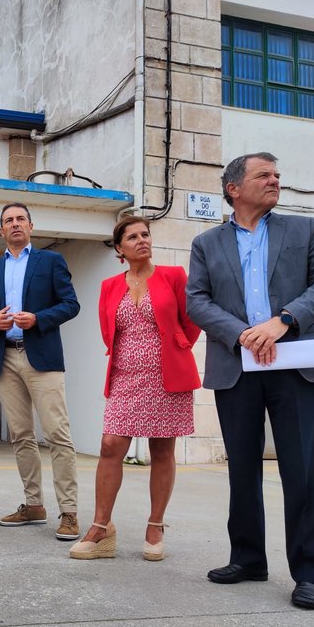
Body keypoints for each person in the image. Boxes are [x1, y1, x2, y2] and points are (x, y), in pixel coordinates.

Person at [186, 152, 314, 610]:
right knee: (242, 468)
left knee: (305, 470)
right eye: (264, 175)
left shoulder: (303, 229)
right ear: (234, 188)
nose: (275, 180)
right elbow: (197, 301)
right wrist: (243, 335)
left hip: (295, 362)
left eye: (277, 174)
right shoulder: (206, 243)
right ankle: (249, 558)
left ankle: (310, 573)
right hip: (238, 366)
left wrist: (283, 321)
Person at [69, 217, 200, 562]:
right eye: (132, 236)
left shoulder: (173, 277)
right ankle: (101, 527)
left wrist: (176, 346)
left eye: (145, 234)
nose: (142, 240)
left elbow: (191, 321)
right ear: (119, 248)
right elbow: (107, 330)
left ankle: (155, 525)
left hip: (167, 375)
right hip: (125, 376)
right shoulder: (110, 286)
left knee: (161, 449)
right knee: (110, 444)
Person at [0, 202, 82, 540]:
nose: (15, 224)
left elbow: (70, 304)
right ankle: (33, 505)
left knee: (57, 435)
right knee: (21, 435)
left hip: (42, 357)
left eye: (21, 219)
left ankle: (69, 512)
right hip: (4, 358)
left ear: (31, 227)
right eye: (9, 220)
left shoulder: (51, 261)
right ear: (1, 230)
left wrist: (39, 319)